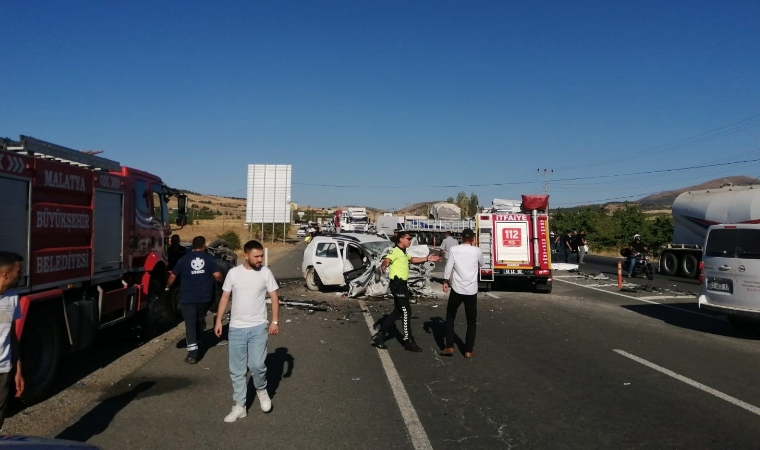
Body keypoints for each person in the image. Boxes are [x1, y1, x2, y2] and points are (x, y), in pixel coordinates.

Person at [214, 240, 280, 423]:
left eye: (261, 256)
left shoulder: (266, 273)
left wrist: (275, 321)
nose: (260, 259)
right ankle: (239, 406)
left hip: (258, 327)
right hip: (236, 328)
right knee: (237, 370)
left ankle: (261, 390)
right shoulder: (233, 274)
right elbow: (225, 297)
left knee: (257, 365)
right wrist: (219, 320)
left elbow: (274, 297)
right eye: (257, 256)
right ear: (246, 255)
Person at [371, 231, 440, 352]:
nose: (410, 240)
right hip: (397, 286)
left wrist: (427, 258)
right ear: (401, 239)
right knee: (406, 312)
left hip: (402, 285)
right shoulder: (394, 251)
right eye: (408, 238)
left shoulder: (404, 252)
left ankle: (379, 336)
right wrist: (384, 265)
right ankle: (408, 341)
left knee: (397, 312)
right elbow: (387, 259)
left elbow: (412, 259)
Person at [167, 236, 223, 364]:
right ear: (203, 245)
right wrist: (222, 283)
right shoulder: (209, 258)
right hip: (204, 297)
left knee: (190, 323)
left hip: (187, 298)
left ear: (193, 246)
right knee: (199, 319)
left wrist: (167, 287)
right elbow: (217, 275)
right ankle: (198, 341)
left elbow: (172, 276)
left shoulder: (183, 259)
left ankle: (193, 354)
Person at [440, 229, 483, 359]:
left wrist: (445, 281)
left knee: (450, 316)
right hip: (471, 290)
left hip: (457, 289)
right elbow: (481, 264)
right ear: (473, 239)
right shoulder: (477, 251)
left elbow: (449, 266)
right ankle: (468, 350)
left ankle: (449, 346)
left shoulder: (454, 249)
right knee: (471, 321)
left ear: (461, 238)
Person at [0, 252, 24, 429]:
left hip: (4, 369)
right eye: (19, 271)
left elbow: (12, 336)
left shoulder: (13, 297)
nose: (21, 275)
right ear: (5, 274)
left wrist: (18, 370)